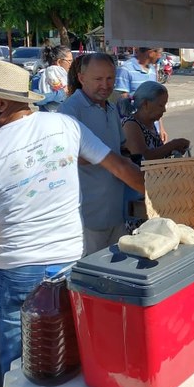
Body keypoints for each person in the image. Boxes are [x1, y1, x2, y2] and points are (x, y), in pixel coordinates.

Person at [0, 60, 145, 374]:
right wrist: (160, 201)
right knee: (70, 353)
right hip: (69, 262)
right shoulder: (64, 125)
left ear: (0, 102)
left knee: (20, 366)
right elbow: (121, 168)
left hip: (14, 271)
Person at [59, 53, 130, 255]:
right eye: (98, 79)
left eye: (110, 79)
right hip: (87, 217)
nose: (105, 85)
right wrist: (109, 161)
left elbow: (120, 147)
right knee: (89, 277)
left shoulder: (111, 107)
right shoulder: (70, 110)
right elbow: (66, 158)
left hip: (115, 211)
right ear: (82, 78)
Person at [121, 81, 190, 160]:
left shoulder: (149, 124)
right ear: (145, 104)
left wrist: (174, 149)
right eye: (161, 105)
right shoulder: (131, 125)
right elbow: (142, 158)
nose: (164, 110)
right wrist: (172, 145)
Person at [114, 47, 167, 141]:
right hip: (136, 131)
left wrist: (161, 128)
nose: (160, 56)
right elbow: (122, 104)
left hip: (153, 129)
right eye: (159, 53)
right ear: (150, 52)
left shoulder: (152, 70)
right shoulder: (126, 70)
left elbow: (157, 102)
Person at [34, 45, 73, 112]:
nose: (71, 64)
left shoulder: (70, 77)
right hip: (47, 117)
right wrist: (61, 94)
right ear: (59, 62)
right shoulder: (39, 77)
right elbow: (37, 99)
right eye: (69, 61)